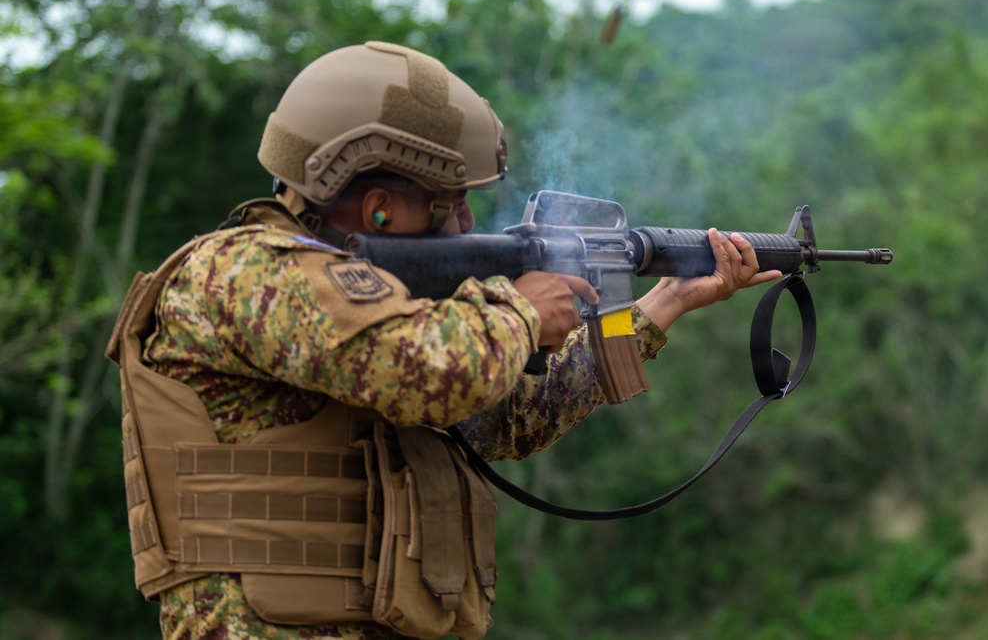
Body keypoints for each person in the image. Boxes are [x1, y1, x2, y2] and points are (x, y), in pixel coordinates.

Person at [104, 41, 781, 640]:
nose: (466, 222)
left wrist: (664, 304)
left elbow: (503, 421)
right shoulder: (241, 270)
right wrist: (517, 309)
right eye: (449, 201)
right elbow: (423, 373)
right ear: (377, 204)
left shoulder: (384, 303)